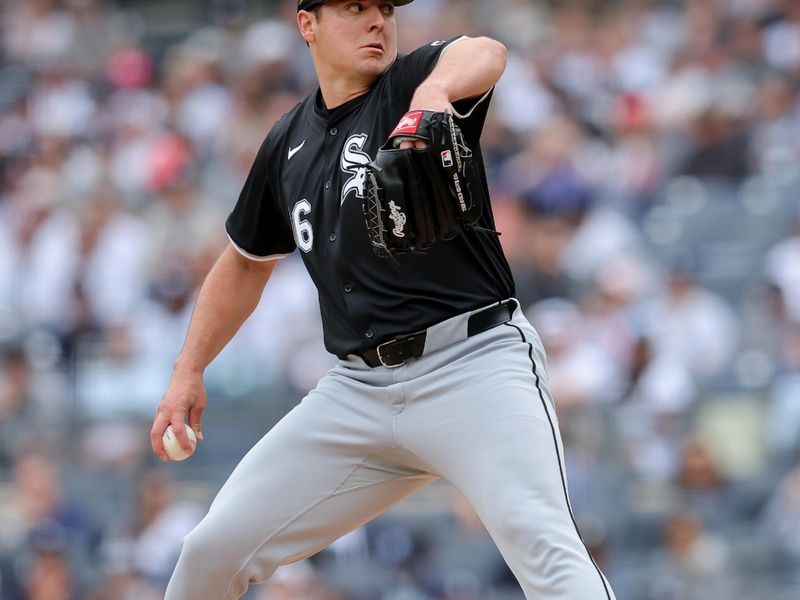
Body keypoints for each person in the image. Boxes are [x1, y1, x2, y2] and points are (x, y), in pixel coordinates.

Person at [150, 1, 618, 598]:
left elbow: (488, 53)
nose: (377, 21)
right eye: (354, 8)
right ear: (308, 23)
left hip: (472, 368)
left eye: (383, 8)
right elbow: (245, 262)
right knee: (209, 552)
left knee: (549, 556)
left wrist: (435, 93)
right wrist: (188, 369)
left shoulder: (410, 82)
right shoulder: (287, 141)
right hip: (357, 393)